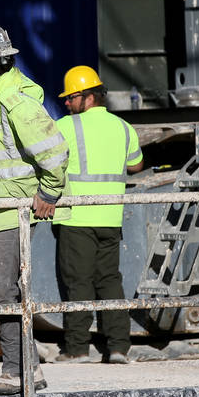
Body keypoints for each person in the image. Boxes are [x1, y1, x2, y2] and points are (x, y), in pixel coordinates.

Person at [0, 22, 69, 395]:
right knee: (7, 292)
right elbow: (3, 157)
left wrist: (50, 194)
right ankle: (29, 370)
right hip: (0, 207)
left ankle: (16, 371)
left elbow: (55, 152)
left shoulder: (14, 101)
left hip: (14, 211)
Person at [52, 65, 144, 364]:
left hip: (76, 217)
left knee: (78, 283)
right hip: (111, 218)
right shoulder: (123, 127)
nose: (66, 103)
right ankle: (118, 348)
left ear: (88, 97)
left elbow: (47, 163)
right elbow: (136, 166)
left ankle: (77, 349)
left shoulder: (66, 127)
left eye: (71, 97)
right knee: (110, 282)